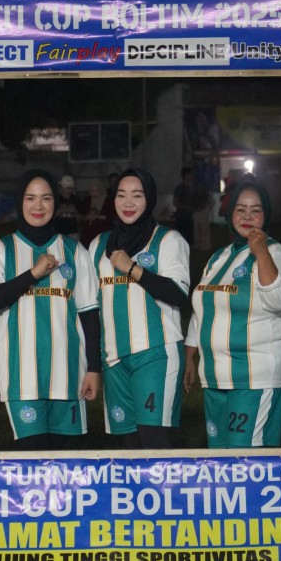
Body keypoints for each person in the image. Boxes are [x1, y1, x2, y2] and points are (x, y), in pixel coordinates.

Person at [0, 169, 101, 451]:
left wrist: (94, 368)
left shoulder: (74, 251)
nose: (38, 205)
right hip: (22, 380)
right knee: (32, 460)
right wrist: (33, 274)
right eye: (30, 198)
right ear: (19, 202)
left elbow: (89, 313)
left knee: (66, 463)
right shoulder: (1, 250)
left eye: (46, 198)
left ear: (56, 202)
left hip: (69, 375)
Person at [183, 179, 281, 448]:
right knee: (220, 457)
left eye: (255, 210)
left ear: (266, 215)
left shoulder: (276, 253)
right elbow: (203, 306)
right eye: (240, 209)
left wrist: (261, 253)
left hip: (254, 376)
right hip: (215, 375)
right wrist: (190, 355)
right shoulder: (219, 257)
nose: (247, 216)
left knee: (245, 458)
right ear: (230, 213)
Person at [89, 168, 190, 449]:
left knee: (154, 439)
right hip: (114, 359)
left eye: (137, 195)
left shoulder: (168, 240)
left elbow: (177, 293)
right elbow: (90, 306)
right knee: (129, 444)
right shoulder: (98, 245)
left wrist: (132, 268)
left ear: (150, 199)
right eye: (121, 195)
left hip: (155, 353)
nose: (128, 203)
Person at [79, 180, 111, 247]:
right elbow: (81, 215)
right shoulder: (87, 200)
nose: (94, 193)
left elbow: (110, 217)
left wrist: (95, 216)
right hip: (87, 236)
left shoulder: (108, 201)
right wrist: (86, 217)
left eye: (96, 191)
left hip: (102, 234)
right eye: (92, 191)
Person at [54, 174, 83, 240]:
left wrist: (74, 212)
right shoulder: (55, 200)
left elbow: (81, 218)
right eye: (66, 188)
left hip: (73, 232)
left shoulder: (76, 200)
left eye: (70, 188)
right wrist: (61, 211)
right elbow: (50, 217)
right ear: (61, 187)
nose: (68, 190)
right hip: (58, 232)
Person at [191, 172, 215, 251]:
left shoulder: (206, 194)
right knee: (196, 229)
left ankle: (205, 245)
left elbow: (212, 202)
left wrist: (207, 208)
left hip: (204, 212)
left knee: (204, 229)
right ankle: (198, 244)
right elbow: (192, 202)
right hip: (196, 212)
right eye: (198, 186)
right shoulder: (195, 194)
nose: (199, 187)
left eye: (200, 186)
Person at [172, 167, 195, 246]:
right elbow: (175, 203)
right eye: (190, 174)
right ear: (185, 175)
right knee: (183, 235)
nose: (192, 176)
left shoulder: (192, 188)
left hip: (190, 215)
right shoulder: (179, 188)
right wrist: (187, 207)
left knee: (190, 236)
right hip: (182, 215)